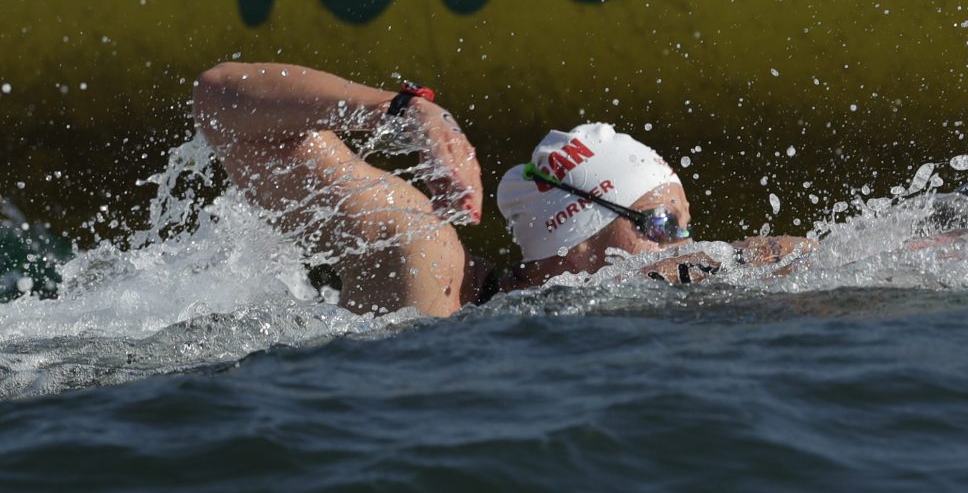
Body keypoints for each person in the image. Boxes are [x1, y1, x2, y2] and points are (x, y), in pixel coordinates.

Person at [192, 62, 810, 318]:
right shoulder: (426, 262)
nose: (679, 248)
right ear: (575, 233)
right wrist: (411, 114)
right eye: (661, 225)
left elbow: (800, 253)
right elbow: (219, 95)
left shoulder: (649, 293)